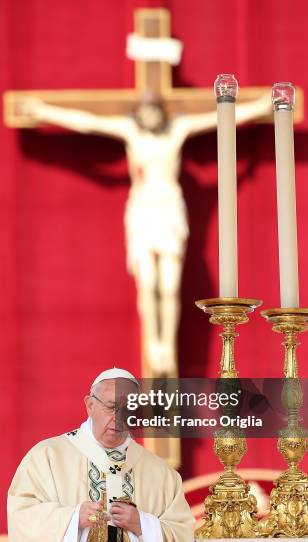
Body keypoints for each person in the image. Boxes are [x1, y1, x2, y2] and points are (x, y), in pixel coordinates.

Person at [19, 93, 272, 377]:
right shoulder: (131, 132)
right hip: (142, 211)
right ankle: (154, 344)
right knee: (148, 281)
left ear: (161, 111)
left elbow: (220, 119)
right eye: (146, 110)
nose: (150, 116)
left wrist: (261, 106)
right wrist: (44, 111)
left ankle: (166, 344)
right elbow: (87, 123)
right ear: (140, 112)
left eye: (155, 110)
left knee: (169, 284)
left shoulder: (177, 130)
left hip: (169, 210)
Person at [6, 367, 195, 542]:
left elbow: (182, 541)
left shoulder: (161, 475)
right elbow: (23, 516)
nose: (118, 417)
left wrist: (143, 526)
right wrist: (73, 520)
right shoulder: (48, 457)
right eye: (110, 406)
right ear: (89, 405)